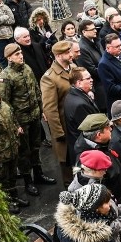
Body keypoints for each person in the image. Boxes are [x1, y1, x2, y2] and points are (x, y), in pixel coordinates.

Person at [0, 43, 56, 196]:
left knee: (36, 146)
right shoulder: (5, 76)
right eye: (16, 55)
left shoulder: (27, 69)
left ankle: (38, 174)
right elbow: (5, 104)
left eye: (20, 53)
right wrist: (15, 124)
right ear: (9, 58)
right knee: (24, 152)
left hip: (34, 115)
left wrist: (41, 108)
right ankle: (27, 181)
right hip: (21, 119)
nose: (20, 56)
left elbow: (36, 90)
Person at [40, 41, 75, 185]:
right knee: (67, 164)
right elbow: (50, 109)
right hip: (65, 127)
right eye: (67, 53)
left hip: (76, 123)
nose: (71, 54)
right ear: (58, 56)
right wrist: (58, 133)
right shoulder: (49, 77)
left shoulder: (72, 68)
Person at [74, 113, 121, 203]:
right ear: (99, 135)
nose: (111, 129)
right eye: (108, 127)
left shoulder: (101, 144)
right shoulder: (88, 163)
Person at [64, 67, 100, 166]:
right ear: (79, 83)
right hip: (87, 152)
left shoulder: (73, 94)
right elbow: (91, 132)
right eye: (88, 78)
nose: (91, 80)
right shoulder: (80, 105)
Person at [77, 19, 108, 111]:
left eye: (95, 28)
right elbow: (91, 70)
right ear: (84, 32)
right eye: (92, 29)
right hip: (99, 87)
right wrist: (109, 71)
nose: (95, 31)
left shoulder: (96, 41)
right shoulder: (82, 48)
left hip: (105, 81)